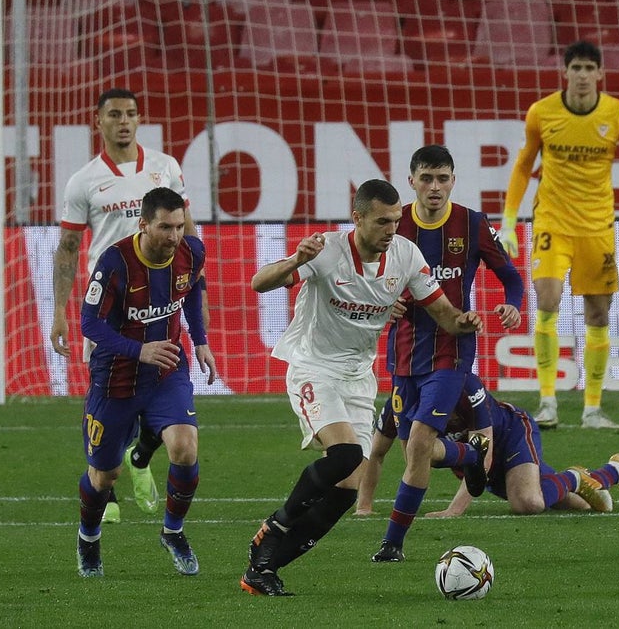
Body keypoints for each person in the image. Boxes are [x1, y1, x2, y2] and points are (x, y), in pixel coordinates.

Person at [240, 179, 483, 597]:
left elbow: (443, 313)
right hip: (313, 368)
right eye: (382, 222)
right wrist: (294, 260)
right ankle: (274, 526)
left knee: (347, 490)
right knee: (347, 453)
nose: (391, 230)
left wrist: (465, 321)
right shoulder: (327, 252)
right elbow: (259, 282)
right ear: (357, 218)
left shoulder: (405, 255)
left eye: (395, 221)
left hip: (358, 377)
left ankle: (263, 569)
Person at [499, 40, 619, 430]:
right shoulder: (541, 113)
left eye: (588, 68)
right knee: (547, 300)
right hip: (552, 222)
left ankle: (592, 409)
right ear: (565, 72)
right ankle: (547, 402)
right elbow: (522, 166)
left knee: (598, 313)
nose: (581, 75)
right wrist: (510, 221)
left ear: (600, 74)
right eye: (575, 68)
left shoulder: (616, 115)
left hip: (598, 227)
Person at [53, 88, 203, 522]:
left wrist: (200, 295)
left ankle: (141, 458)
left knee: (164, 389)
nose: (124, 121)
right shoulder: (83, 181)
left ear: (140, 119)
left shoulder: (164, 168)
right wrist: (60, 310)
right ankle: (109, 484)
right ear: (97, 121)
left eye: (132, 114)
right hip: (113, 306)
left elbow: (188, 235)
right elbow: (67, 247)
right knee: (108, 396)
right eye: (115, 114)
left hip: (161, 302)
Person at [372, 144, 524, 564]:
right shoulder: (394, 224)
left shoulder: (472, 224)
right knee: (414, 452)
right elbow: (368, 275)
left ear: (453, 181)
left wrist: (513, 303)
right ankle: (470, 454)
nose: (434, 187)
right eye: (426, 178)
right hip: (403, 352)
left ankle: (392, 544)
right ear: (411, 181)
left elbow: (511, 276)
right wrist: (387, 304)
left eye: (442, 179)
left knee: (420, 440)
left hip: (451, 350)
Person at [74, 187, 217, 578]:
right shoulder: (115, 262)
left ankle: (173, 532)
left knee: (185, 448)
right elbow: (88, 323)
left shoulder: (191, 251)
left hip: (166, 371)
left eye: (178, 226)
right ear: (143, 224)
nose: (173, 236)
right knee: (105, 475)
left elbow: (189, 290)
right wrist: (139, 351)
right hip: (115, 378)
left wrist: (200, 339)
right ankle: (88, 538)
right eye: (164, 227)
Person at [356, 374, 619, 518]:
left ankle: (577, 476)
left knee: (529, 503)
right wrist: (364, 507)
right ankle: (616, 470)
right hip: (476, 464)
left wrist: (454, 510)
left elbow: (482, 451)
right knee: (581, 507)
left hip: (510, 435)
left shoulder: (464, 388)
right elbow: (376, 453)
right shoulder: (400, 403)